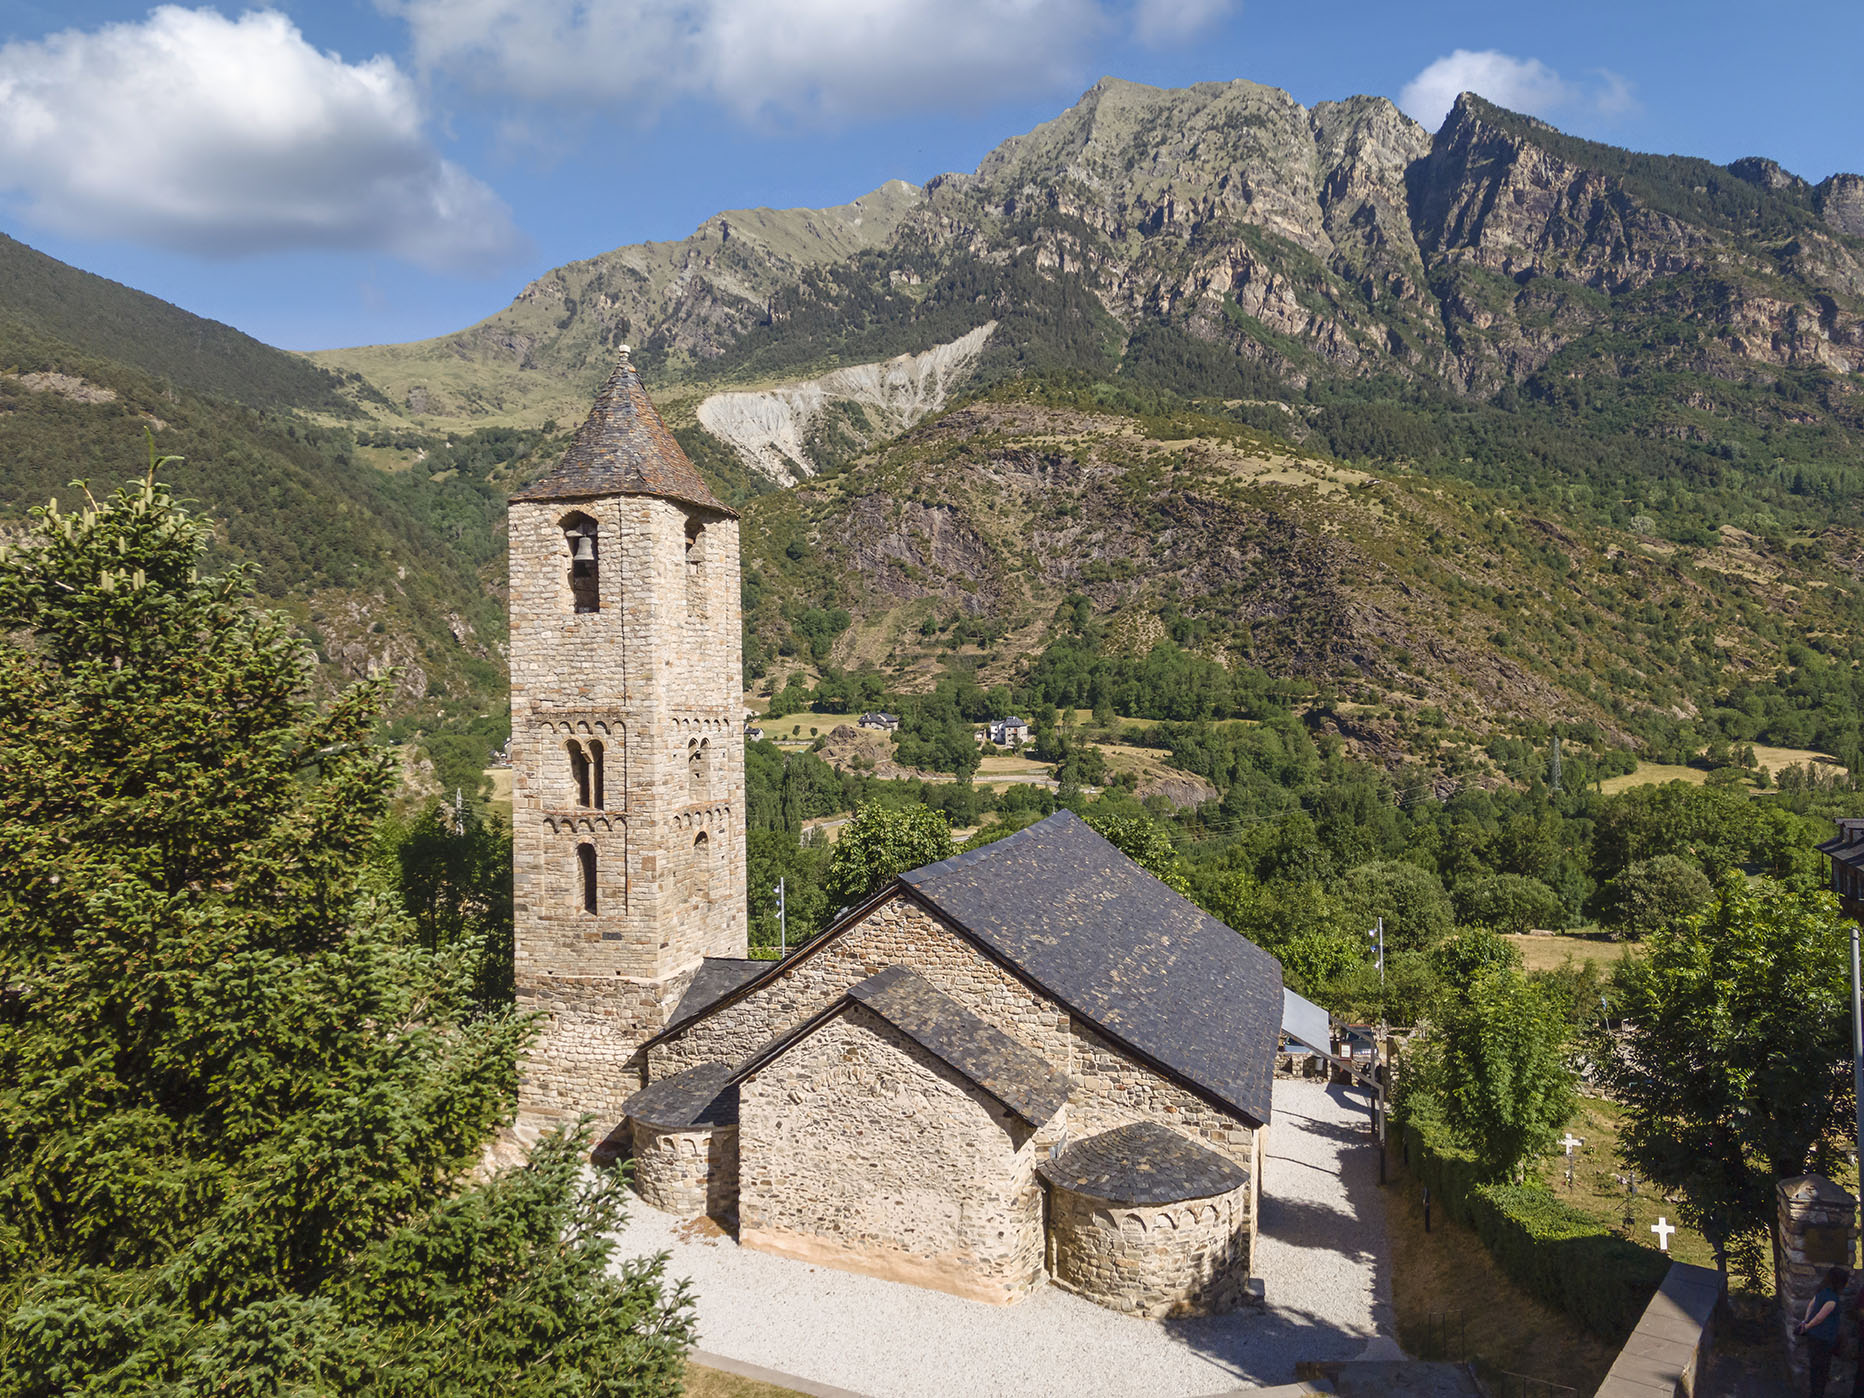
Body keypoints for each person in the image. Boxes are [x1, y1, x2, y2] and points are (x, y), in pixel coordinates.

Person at [1798, 1267, 1849, 1396]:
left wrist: (1805, 1321)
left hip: (1814, 1337)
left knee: (1815, 1370)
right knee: (1821, 1372)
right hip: (1824, 1339)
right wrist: (1808, 1326)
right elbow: (1821, 1317)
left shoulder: (1822, 1291)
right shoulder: (1832, 1300)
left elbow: (1811, 1305)